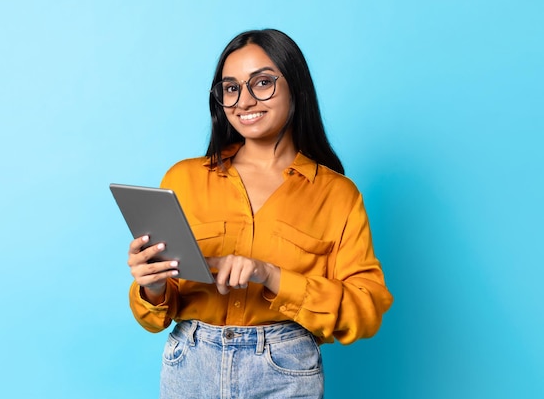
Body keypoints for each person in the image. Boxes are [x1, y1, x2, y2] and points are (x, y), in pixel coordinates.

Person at [127, 28, 393, 398]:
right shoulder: (183, 179)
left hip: (285, 370)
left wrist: (270, 274)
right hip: (190, 365)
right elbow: (155, 315)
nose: (244, 101)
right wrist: (152, 285)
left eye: (262, 83)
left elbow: (365, 310)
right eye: (231, 88)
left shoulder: (337, 195)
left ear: (295, 87)